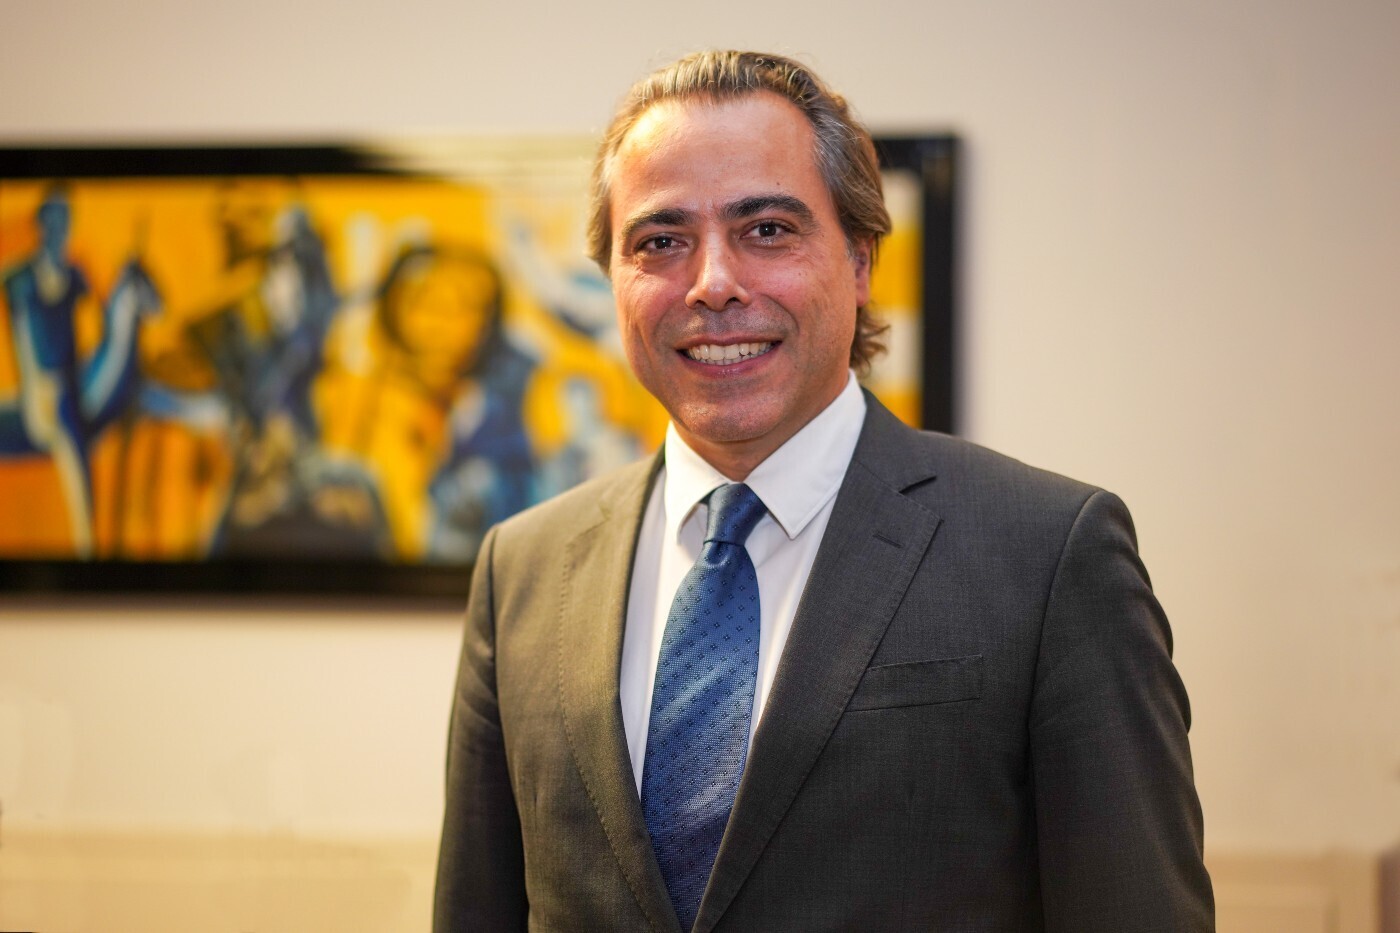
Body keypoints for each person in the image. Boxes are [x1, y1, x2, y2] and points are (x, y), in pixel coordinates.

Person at [434, 50, 1213, 932]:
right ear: (612, 277)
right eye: (660, 241)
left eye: (767, 229)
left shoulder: (1048, 555)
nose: (713, 283)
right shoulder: (522, 570)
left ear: (860, 260)